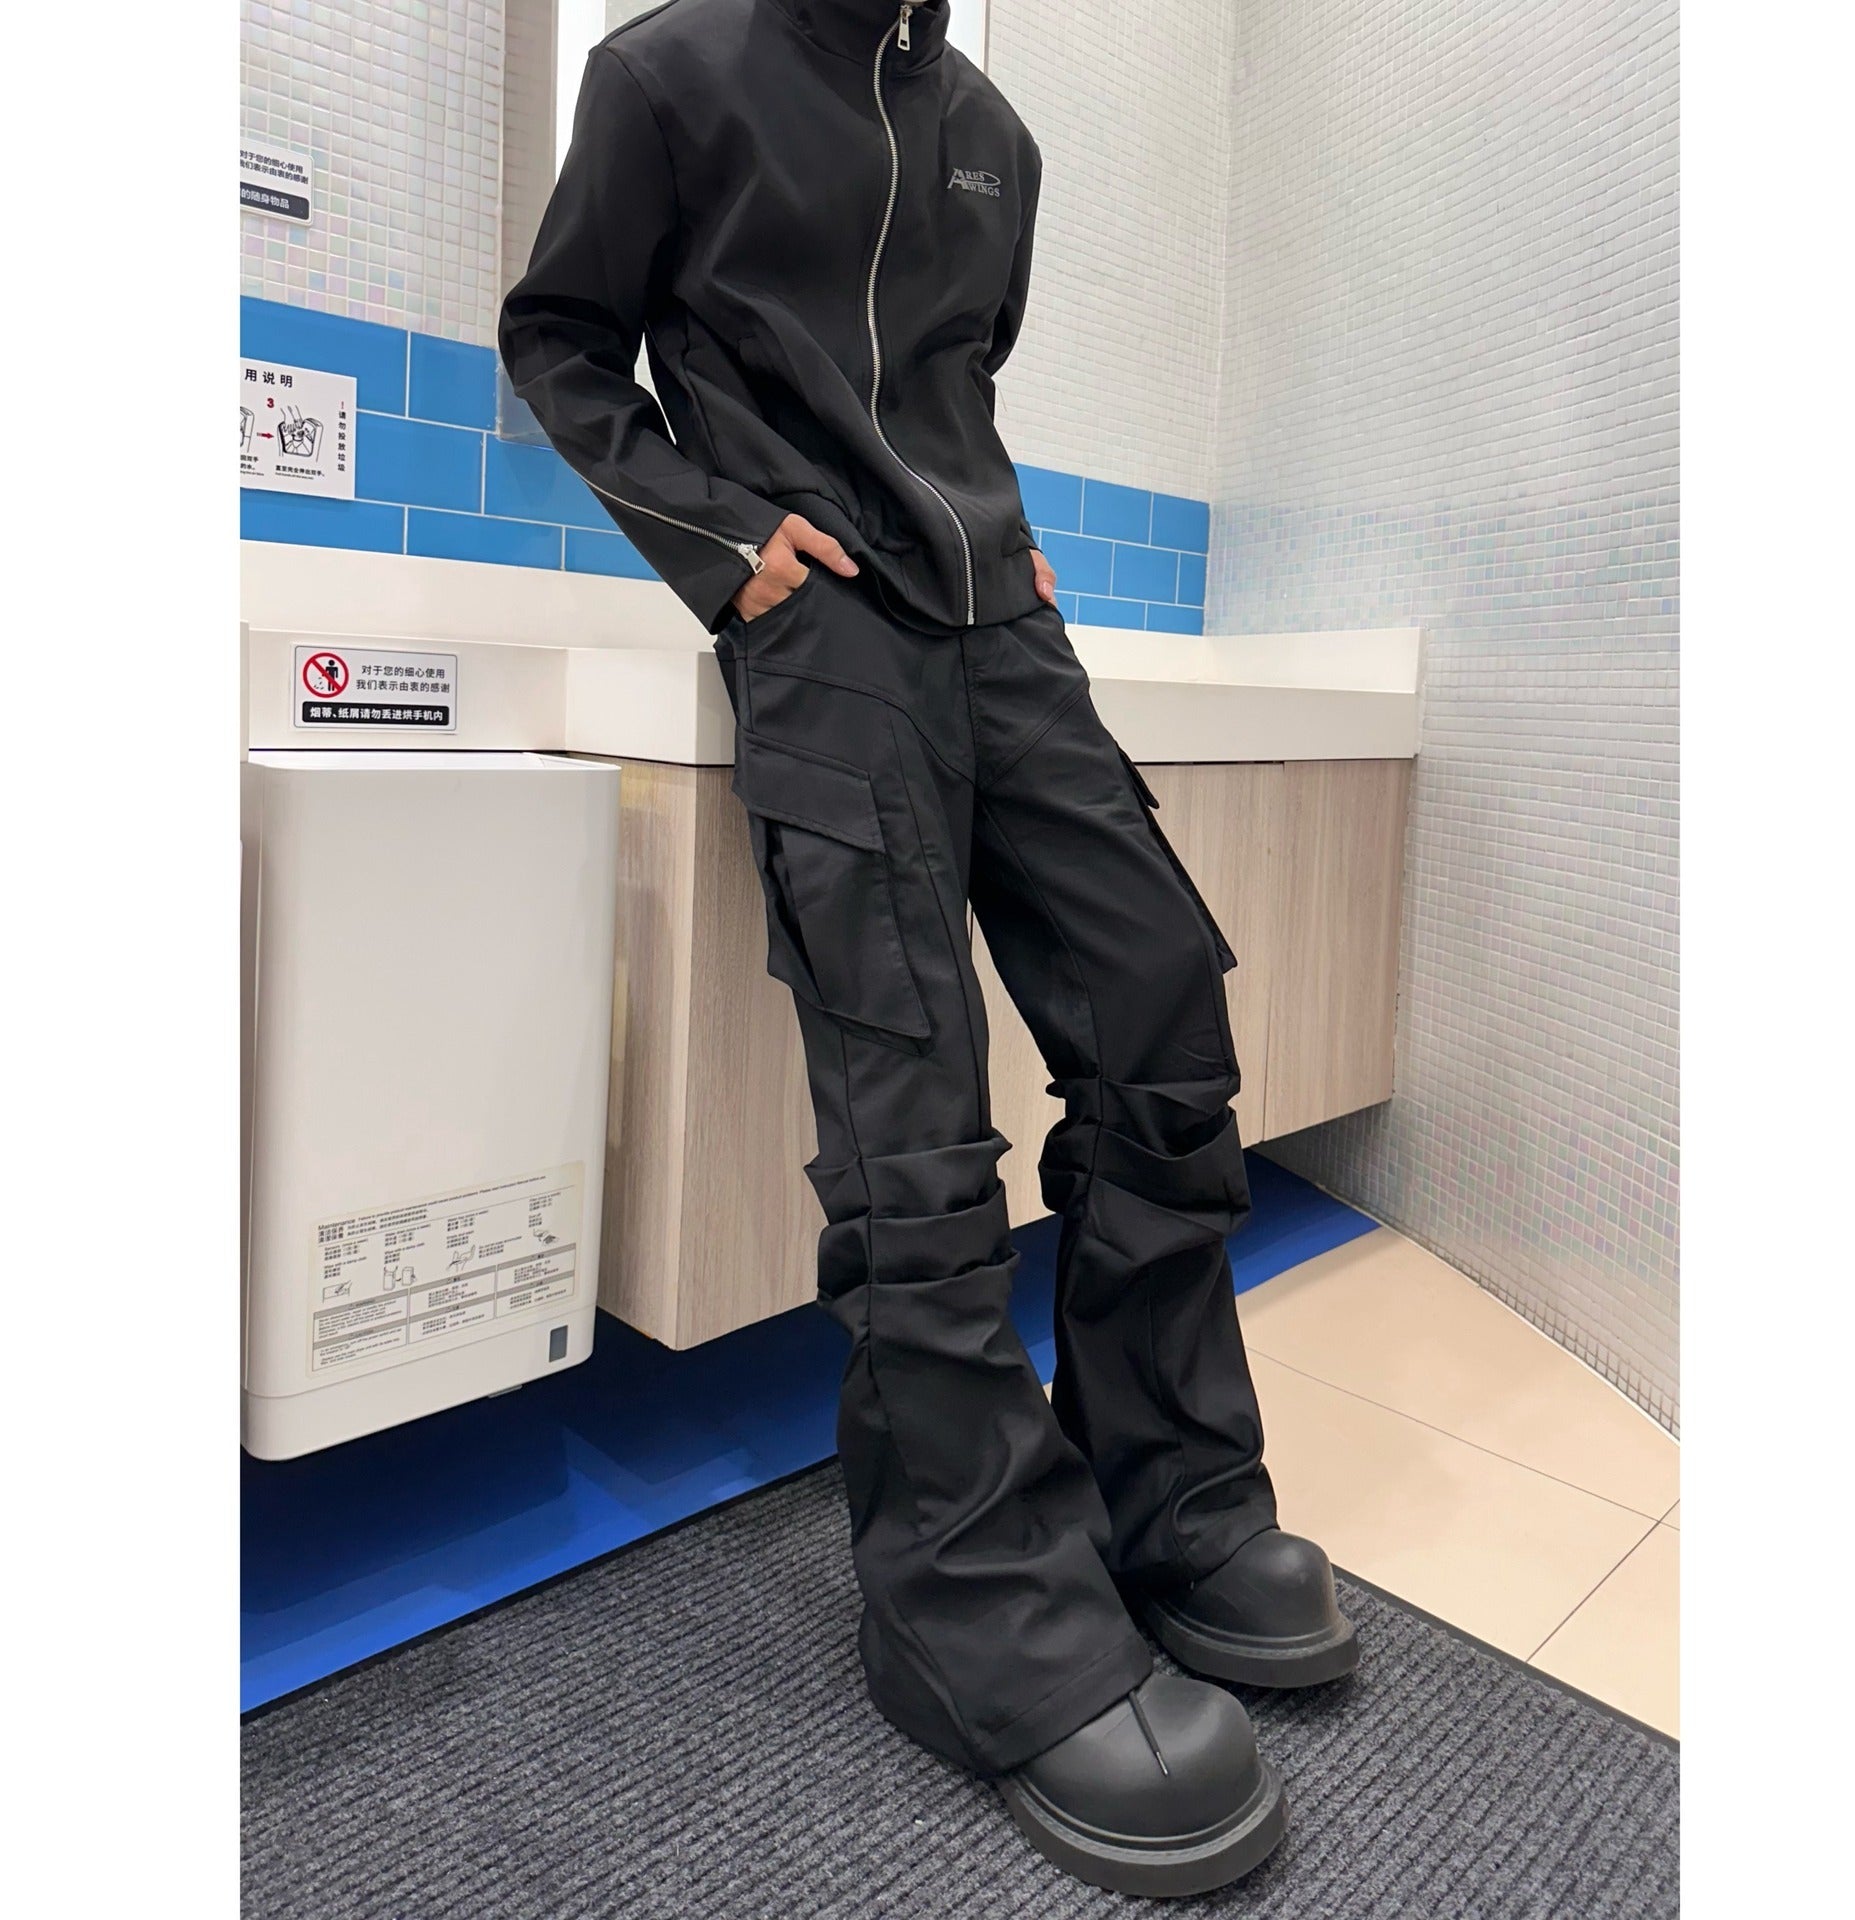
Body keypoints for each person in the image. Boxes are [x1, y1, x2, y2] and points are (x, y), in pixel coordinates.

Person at [500, 0, 1358, 1895]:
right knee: (916, 1113)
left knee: (1161, 1004)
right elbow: (558, 338)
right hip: (826, 635)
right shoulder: (667, 73)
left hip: (1001, 628)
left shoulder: (991, 130)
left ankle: (1169, 1500)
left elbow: (952, 386)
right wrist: (727, 542)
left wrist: (1005, 536)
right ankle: (976, 1609)